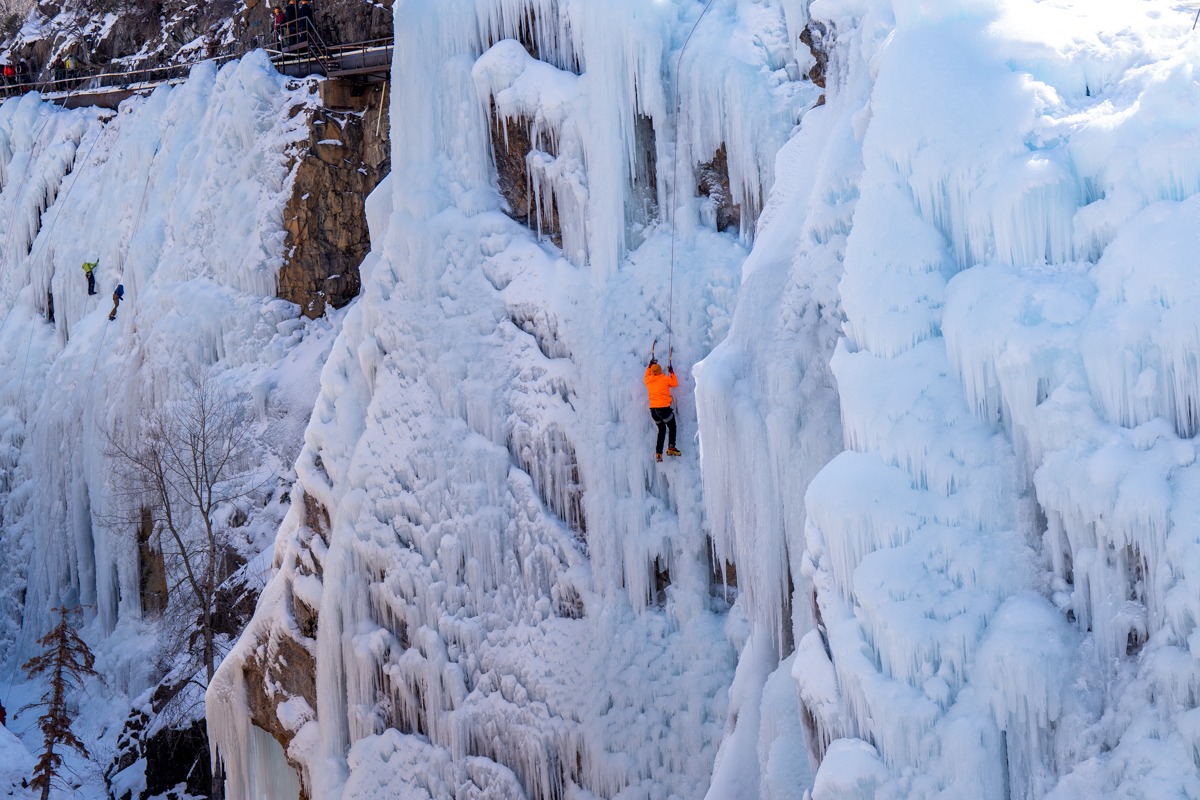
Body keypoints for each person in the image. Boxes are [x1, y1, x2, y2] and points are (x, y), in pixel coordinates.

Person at [644, 357, 681, 462]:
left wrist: (649, 366)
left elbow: (646, 375)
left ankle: (658, 453)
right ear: (660, 371)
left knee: (661, 429)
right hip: (663, 409)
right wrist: (672, 372)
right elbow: (675, 383)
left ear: (651, 372)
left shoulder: (648, 380)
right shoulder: (664, 379)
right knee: (672, 426)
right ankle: (671, 447)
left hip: (654, 411)